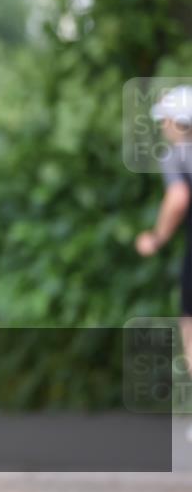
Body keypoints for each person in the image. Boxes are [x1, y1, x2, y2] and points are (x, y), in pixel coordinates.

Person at [135, 85, 192, 421]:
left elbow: (178, 198)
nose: (162, 128)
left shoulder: (178, 155)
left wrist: (156, 239)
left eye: (164, 121)